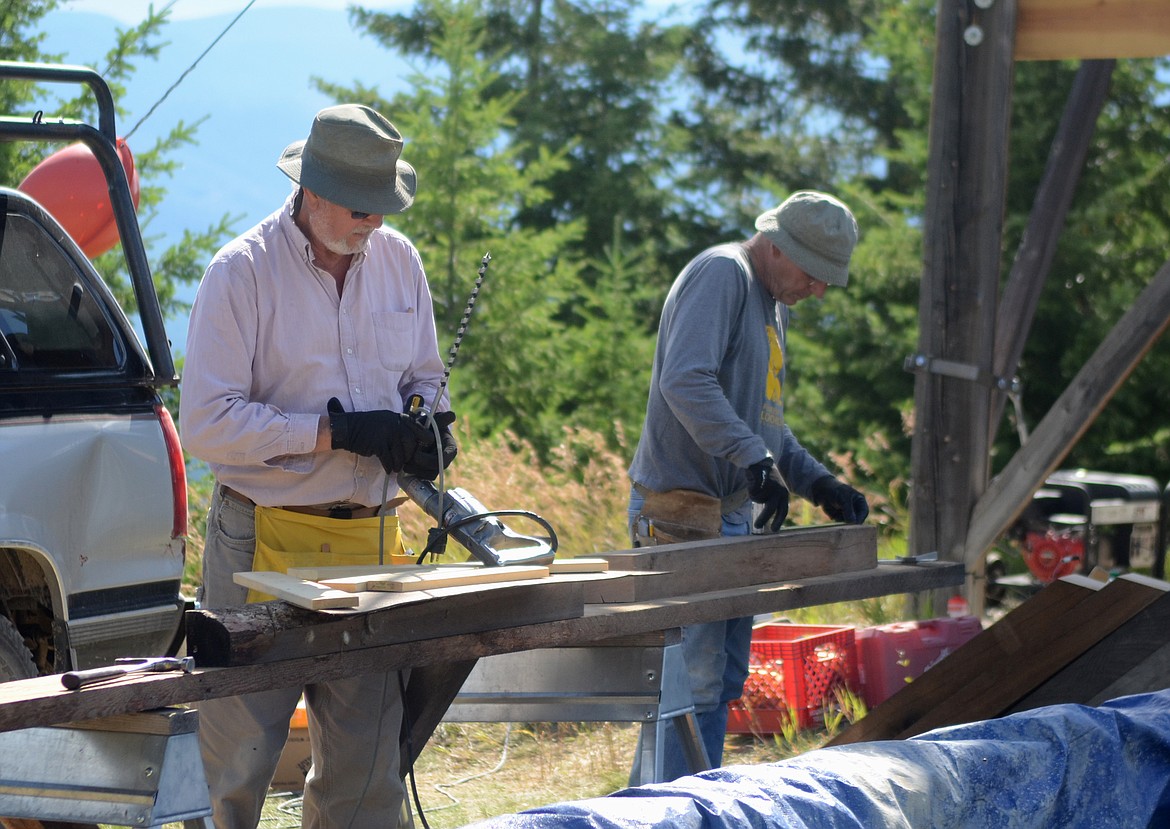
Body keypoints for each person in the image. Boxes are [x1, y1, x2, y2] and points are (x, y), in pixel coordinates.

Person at [179, 103, 456, 828]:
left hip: (368, 540)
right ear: (314, 192)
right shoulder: (240, 273)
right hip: (260, 536)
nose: (376, 222)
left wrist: (433, 424)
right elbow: (206, 423)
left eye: (385, 206)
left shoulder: (400, 260)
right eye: (364, 207)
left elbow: (427, 376)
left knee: (365, 769)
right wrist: (336, 431)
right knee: (239, 760)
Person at [626, 190, 869, 783]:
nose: (820, 291)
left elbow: (768, 426)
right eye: (815, 275)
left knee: (721, 683)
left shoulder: (770, 304)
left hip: (729, 515)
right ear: (780, 249)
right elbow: (686, 381)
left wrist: (818, 483)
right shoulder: (722, 275)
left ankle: (688, 809)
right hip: (681, 513)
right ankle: (663, 816)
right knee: (689, 687)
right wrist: (754, 460)